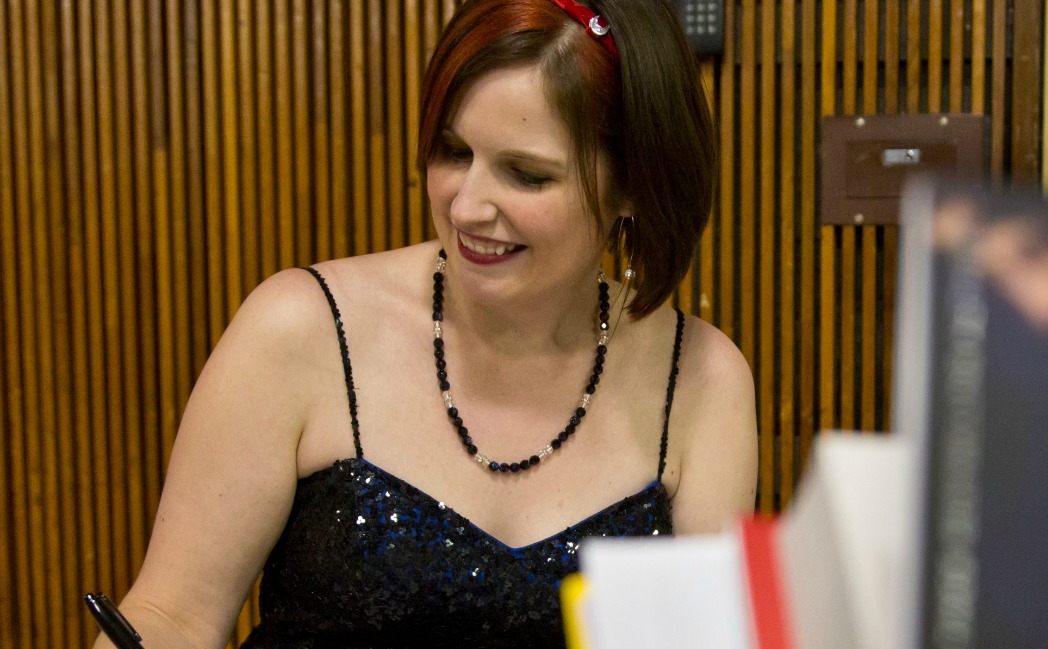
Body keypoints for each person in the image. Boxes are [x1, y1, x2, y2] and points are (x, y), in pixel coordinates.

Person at [94, 0, 757, 646]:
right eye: (451, 151)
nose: (467, 205)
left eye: (525, 175)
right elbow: (174, 614)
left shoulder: (701, 381)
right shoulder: (300, 328)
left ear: (634, 184)